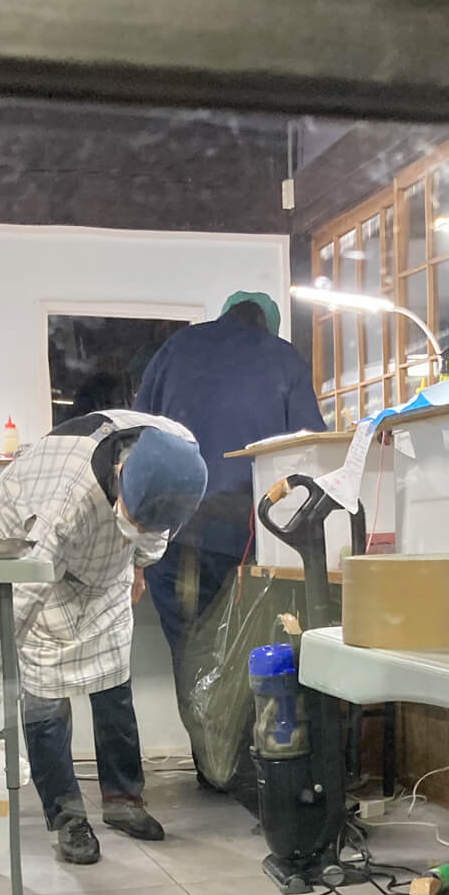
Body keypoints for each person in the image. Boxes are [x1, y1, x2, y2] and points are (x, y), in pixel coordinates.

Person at [0, 411, 207, 866]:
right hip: (40, 549)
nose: (142, 531)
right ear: (121, 474)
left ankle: (123, 801)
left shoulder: (180, 458)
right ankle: (67, 817)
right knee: (45, 696)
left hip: (104, 567)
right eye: (136, 521)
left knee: (114, 685)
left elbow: (156, 529)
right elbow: (17, 601)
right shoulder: (62, 505)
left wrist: (138, 564)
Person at [134, 291, 325, 704]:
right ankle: (245, 745)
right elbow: (312, 451)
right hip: (244, 539)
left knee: (189, 656)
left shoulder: (174, 348)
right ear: (268, 325)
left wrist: (134, 545)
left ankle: (204, 745)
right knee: (247, 653)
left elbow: (135, 440)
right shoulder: (283, 357)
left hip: (171, 536)